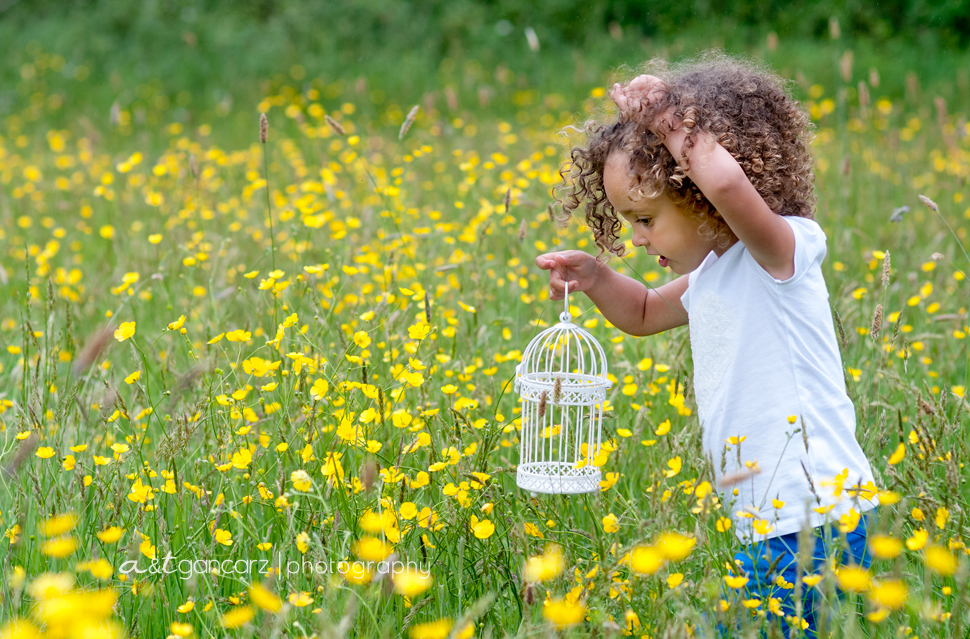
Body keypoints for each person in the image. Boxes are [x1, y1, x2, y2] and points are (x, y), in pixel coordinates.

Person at [536, 52, 879, 636]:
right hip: (768, 518)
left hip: (815, 513)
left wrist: (670, 121)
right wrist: (595, 279)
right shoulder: (712, 277)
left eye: (645, 219)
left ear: (698, 197)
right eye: (627, 224)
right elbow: (642, 312)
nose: (637, 240)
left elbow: (723, 179)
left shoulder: (780, 254)